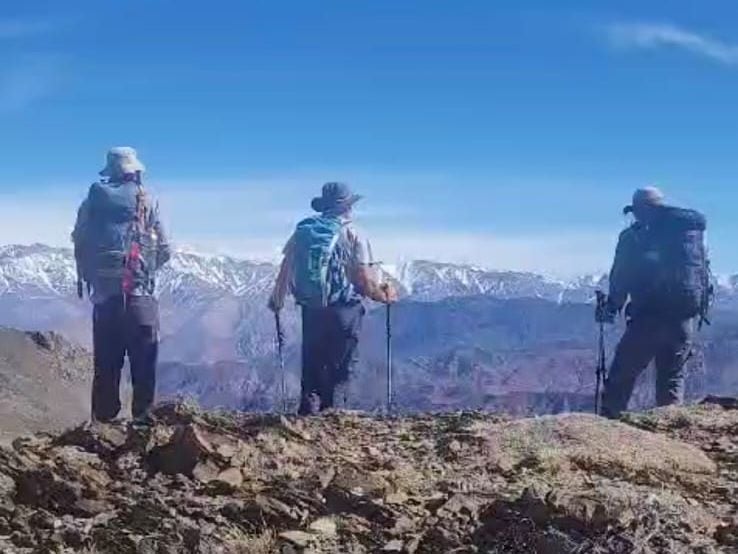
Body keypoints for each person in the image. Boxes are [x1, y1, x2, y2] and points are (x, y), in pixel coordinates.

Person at [268, 182, 397, 415]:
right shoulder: (353, 234)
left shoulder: (303, 232)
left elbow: (286, 266)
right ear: (347, 207)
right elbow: (363, 281)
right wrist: (383, 295)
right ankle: (333, 419)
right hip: (344, 310)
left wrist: (277, 299)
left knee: (313, 363)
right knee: (341, 367)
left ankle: (307, 416)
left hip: (311, 307)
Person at [72, 147, 171, 423]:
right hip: (140, 298)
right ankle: (143, 422)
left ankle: (103, 426)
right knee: (143, 365)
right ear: (134, 170)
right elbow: (165, 249)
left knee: (106, 366)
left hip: (104, 299)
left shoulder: (91, 203)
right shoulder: (145, 201)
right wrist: (144, 270)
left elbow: (79, 241)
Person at [597, 186, 711, 418]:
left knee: (622, 375)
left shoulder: (634, 237)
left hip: (649, 318)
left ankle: (608, 428)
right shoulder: (688, 234)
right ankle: (670, 433)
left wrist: (611, 307)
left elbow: (622, 277)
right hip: (684, 319)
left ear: (641, 209)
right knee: (671, 377)